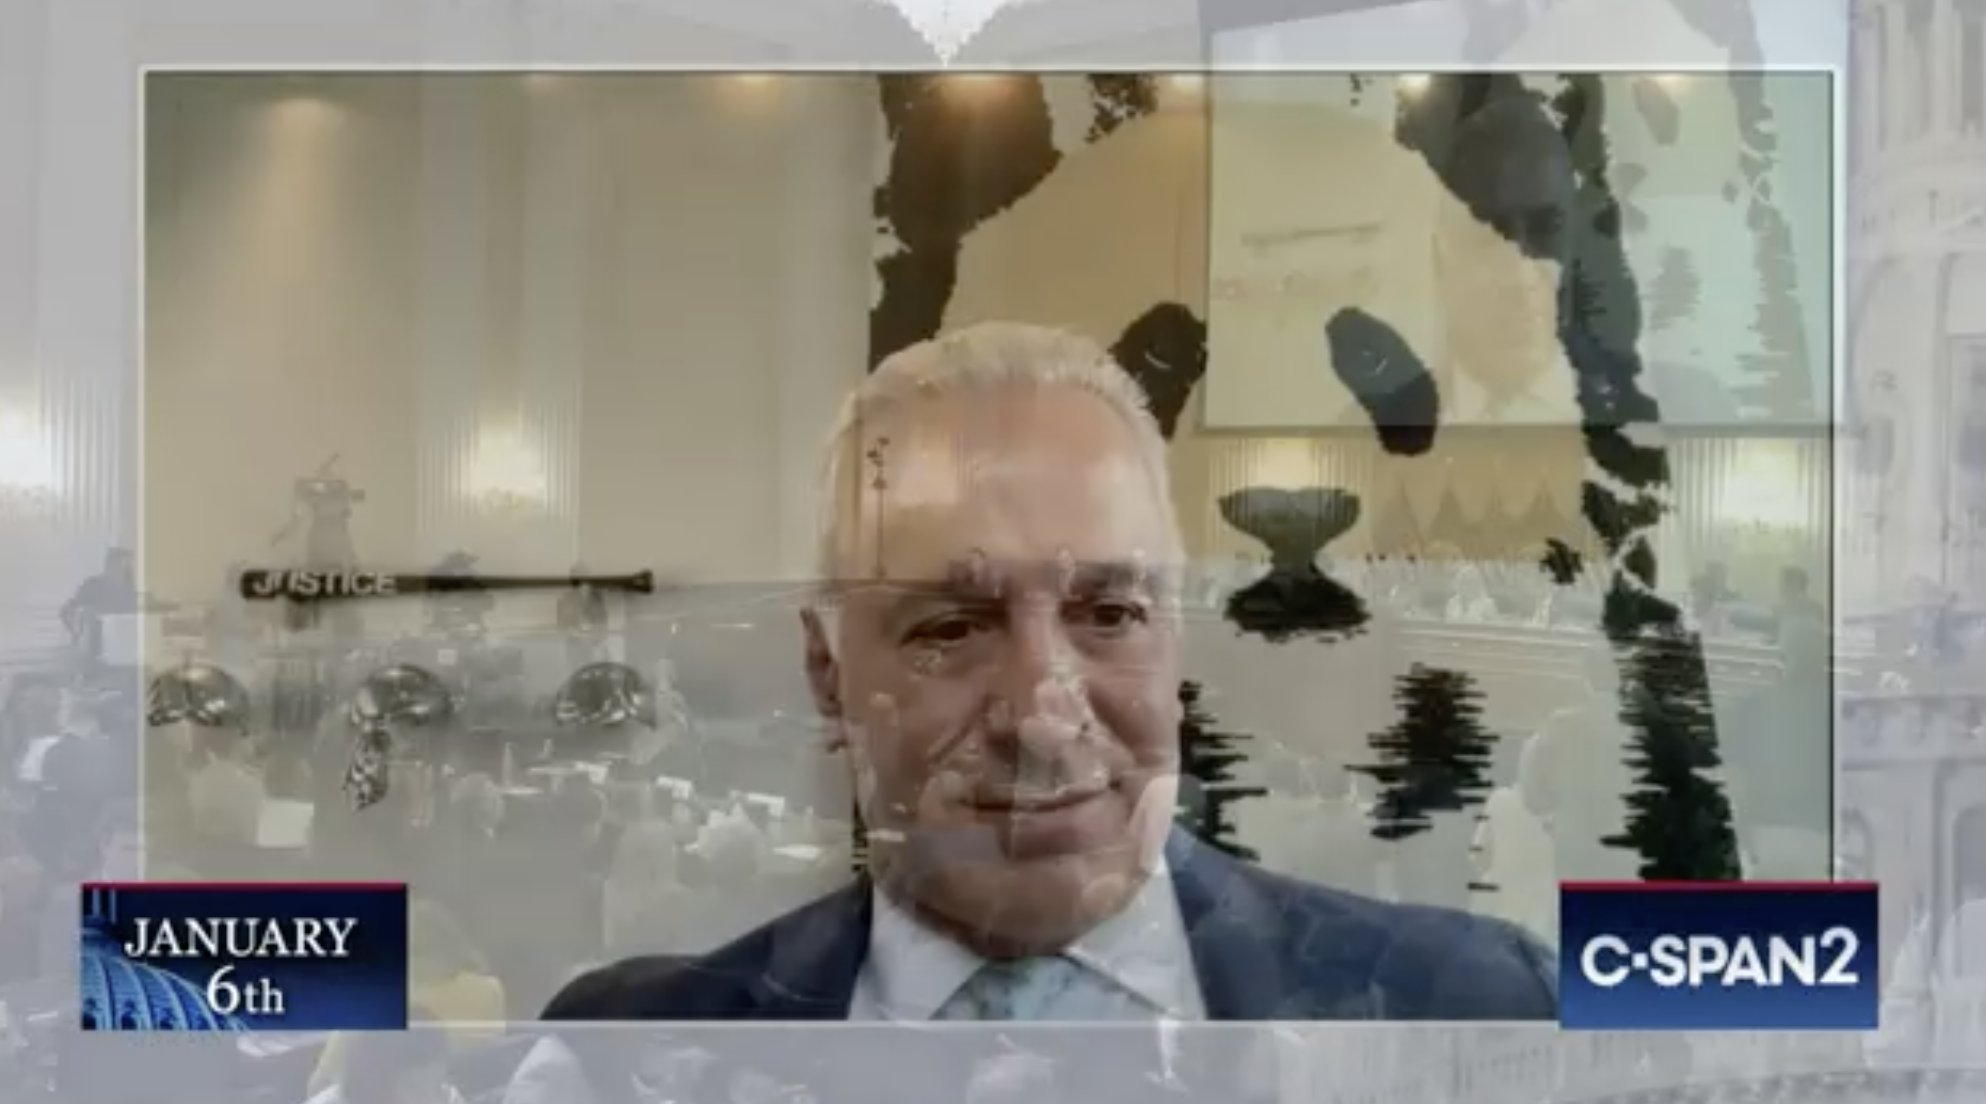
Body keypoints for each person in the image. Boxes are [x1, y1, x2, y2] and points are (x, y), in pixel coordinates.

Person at [543, 323, 1555, 1021]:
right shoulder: (628, 1051)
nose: (1040, 715)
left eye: (1109, 615)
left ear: (1175, 642)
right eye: (951, 628)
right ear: (826, 671)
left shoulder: (1481, 1007)